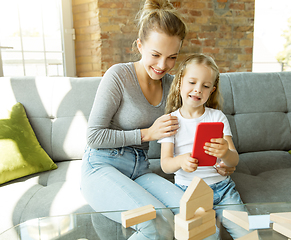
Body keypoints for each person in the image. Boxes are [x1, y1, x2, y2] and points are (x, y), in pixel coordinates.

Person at [80, 0, 235, 239]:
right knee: (152, 224)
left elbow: (194, 119)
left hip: (140, 169)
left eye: (172, 57)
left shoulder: (173, 86)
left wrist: (223, 158)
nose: (163, 65)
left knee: (196, 216)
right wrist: (147, 134)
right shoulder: (118, 76)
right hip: (102, 165)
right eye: (155, 55)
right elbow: (93, 136)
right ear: (140, 46)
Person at [158, 53, 250, 239]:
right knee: (209, 235)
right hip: (188, 192)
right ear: (180, 83)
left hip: (223, 189)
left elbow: (234, 159)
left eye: (205, 86)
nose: (198, 90)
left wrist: (225, 153)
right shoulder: (170, 121)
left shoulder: (217, 117)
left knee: (246, 233)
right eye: (192, 82)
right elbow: (165, 164)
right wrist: (181, 161)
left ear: (212, 90)